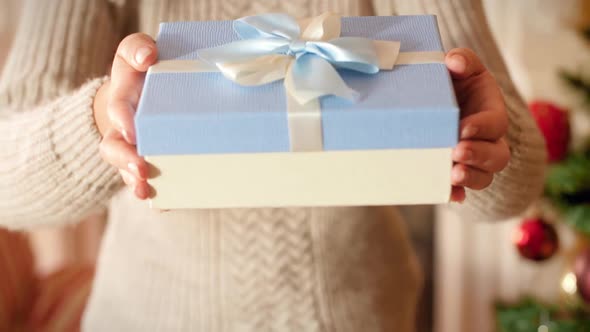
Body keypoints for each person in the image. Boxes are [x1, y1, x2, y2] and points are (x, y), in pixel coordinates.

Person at [0, 0, 546, 331]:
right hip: (149, 316)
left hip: (357, 317)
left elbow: (517, 178)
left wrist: (483, 146)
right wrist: (101, 119)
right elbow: (8, 180)